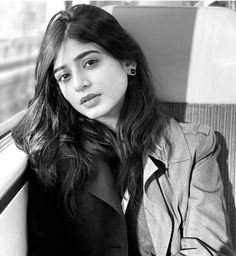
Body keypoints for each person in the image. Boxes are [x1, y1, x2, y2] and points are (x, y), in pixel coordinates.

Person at [12, 4, 235, 256]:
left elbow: (209, 248)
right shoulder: (53, 157)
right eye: (64, 76)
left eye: (90, 62)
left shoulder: (196, 146)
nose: (79, 83)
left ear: (128, 62)